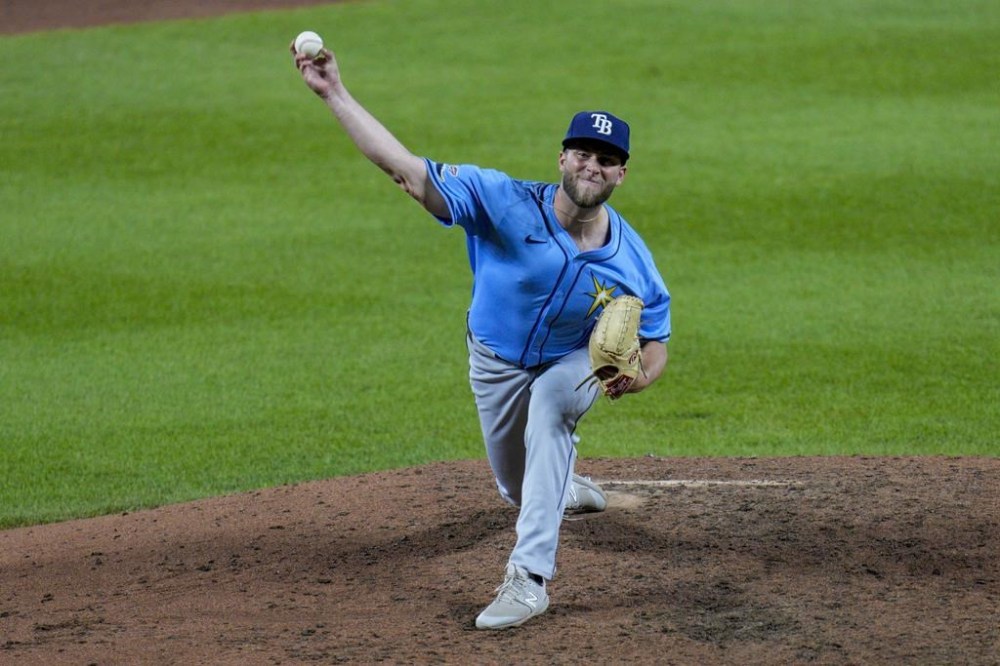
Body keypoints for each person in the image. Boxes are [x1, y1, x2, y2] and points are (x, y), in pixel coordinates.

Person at [292, 43, 671, 630]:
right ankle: (562, 489)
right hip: (494, 360)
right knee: (518, 490)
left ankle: (529, 579)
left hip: (574, 362)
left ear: (623, 171)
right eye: (582, 153)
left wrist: (640, 376)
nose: (592, 166)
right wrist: (334, 93)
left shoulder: (633, 260)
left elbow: (658, 337)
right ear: (562, 158)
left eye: (607, 158)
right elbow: (406, 169)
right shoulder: (501, 201)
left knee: (550, 406)